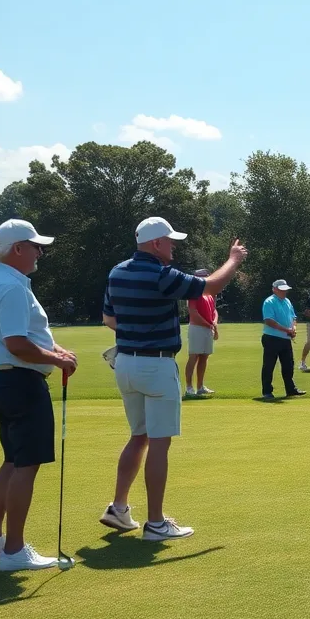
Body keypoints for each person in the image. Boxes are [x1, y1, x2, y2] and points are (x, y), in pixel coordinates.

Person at [101, 217, 247, 540]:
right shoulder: (161, 274)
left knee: (138, 435)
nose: (173, 246)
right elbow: (210, 287)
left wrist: (134, 332)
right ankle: (155, 523)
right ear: (156, 244)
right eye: (169, 241)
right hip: (156, 366)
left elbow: (109, 318)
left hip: (124, 363)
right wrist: (233, 260)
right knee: (159, 443)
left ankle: (119, 507)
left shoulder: (117, 272)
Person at [0, 219, 77, 571]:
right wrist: (56, 361)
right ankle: (14, 550)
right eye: (35, 246)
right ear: (17, 248)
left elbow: (31, 335)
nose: (40, 252)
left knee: (13, 460)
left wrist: (55, 352)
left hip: (3, 382)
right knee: (25, 465)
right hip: (20, 383)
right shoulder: (12, 287)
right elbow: (18, 345)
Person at [261, 279, 305, 399]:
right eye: (281, 290)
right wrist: (287, 330)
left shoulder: (287, 301)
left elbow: (293, 317)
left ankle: (290, 389)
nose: (284, 292)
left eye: (285, 290)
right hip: (272, 338)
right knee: (269, 365)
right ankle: (267, 391)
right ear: (274, 289)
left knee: (288, 365)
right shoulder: (269, 302)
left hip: (285, 338)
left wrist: (293, 328)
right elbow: (269, 321)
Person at [184, 269, 217, 398]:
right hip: (197, 328)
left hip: (208, 328)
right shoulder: (194, 293)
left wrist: (214, 323)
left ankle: (200, 387)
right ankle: (189, 387)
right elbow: (193, 313)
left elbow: (214, 311)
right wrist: (209, 324)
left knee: (204, 357)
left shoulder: (210, 293)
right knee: (194, 356)